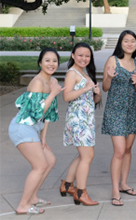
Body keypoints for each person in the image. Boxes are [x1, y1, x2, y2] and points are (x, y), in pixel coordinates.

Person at [8, 48, 64, 215]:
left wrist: (43, 138)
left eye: (54, 60)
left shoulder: (52, 80)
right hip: (22, 128)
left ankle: (32, 197)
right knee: (39, 166)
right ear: (40, 62)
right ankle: (23, 205)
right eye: (47, 60)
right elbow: (36, 112)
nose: (51, 64)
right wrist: (53, 94)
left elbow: (49, 113)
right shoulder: (38, 82)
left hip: (34, 129)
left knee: (50, 160)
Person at [101, 30, 136, 206]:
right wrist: (109, 77)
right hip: (115, 110)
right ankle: (115, 191)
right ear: (120, 43)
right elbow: (105, 87)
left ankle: (124, 183)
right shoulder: (112, 60)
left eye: (133, 41)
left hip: (132, 110)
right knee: (119, 150)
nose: (130, 44)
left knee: (127, 150)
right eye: (126, 41)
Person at [61, 42, 101, 206]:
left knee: (83, 155)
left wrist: (96, 93)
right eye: (80, 55)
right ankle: (80, 193)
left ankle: (67, 185)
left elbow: (93, 100)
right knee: (88, 156)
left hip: (86, 119)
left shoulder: (84, 73)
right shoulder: (72, 73)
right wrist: (85, 89)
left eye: (87, 56)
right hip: (78, 119)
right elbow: (66, 97)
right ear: (73, 56)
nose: (84, 58)